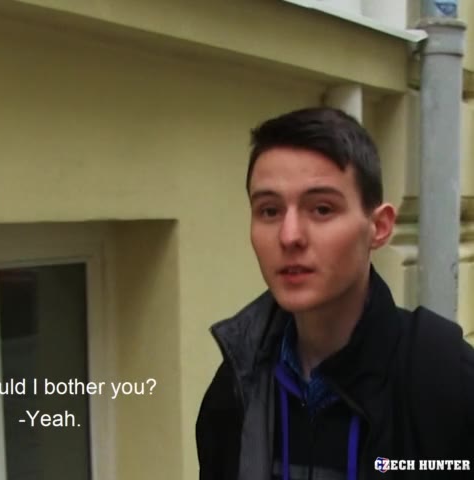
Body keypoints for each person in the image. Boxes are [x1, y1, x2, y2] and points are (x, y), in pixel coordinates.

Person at [195, 107, 474, 480]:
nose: (289, 236)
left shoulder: (445, 380)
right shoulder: (236, 388)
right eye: (269, 211)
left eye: (322, 209)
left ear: (379, 227)